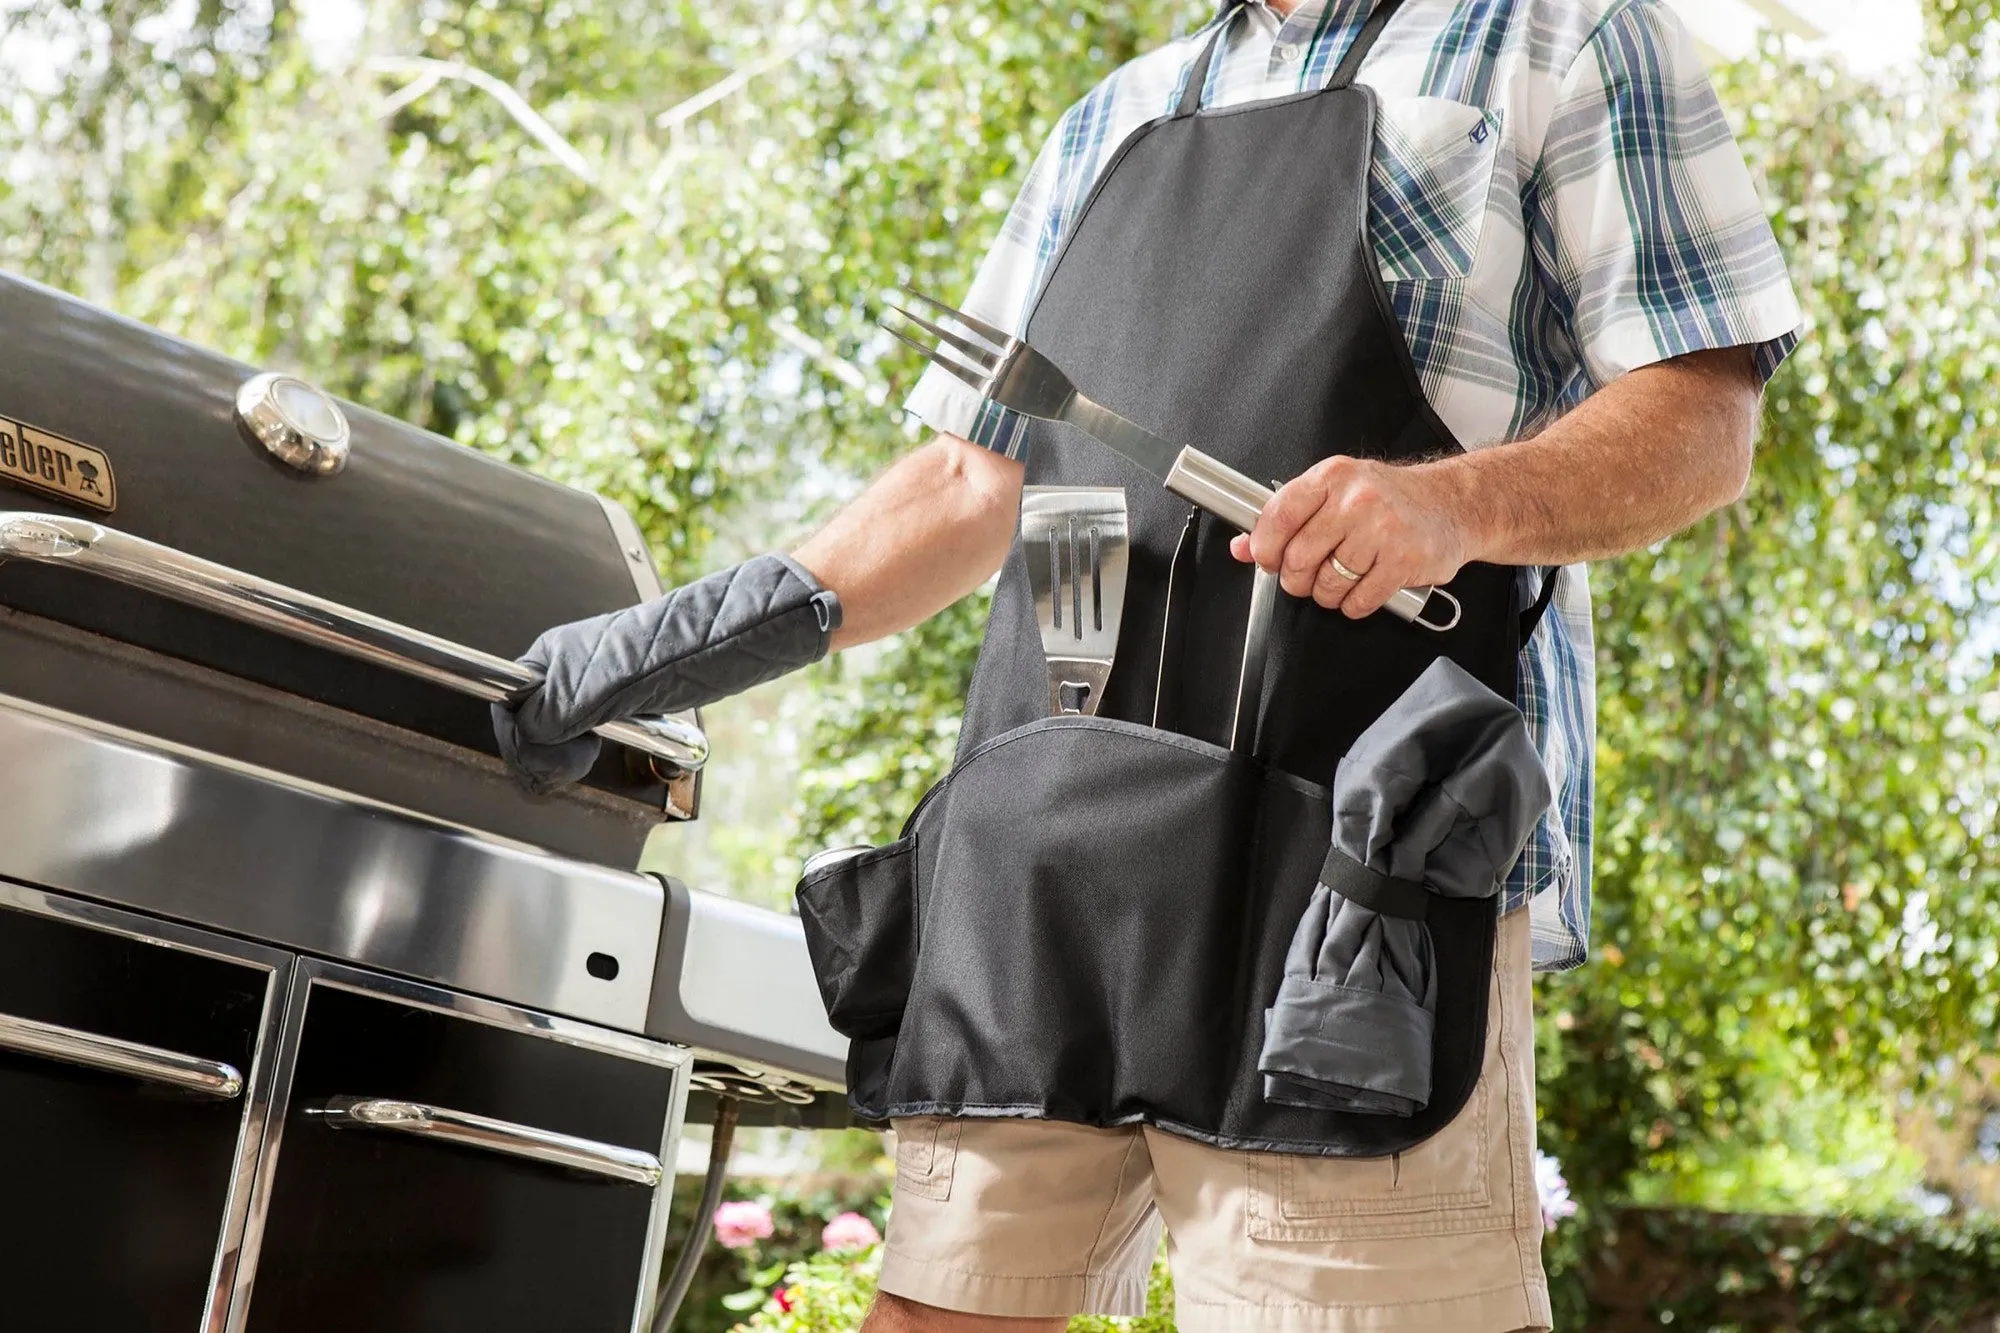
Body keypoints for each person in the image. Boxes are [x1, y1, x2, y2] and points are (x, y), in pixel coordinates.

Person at [494, 1, 1802, 1329]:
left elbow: (1703, 418)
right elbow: (972, 481)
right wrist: (673, 644)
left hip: (1347, 881)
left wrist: (1450, 509)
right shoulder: (1121, 113)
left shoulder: (1559, 41)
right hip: (1041, 873)